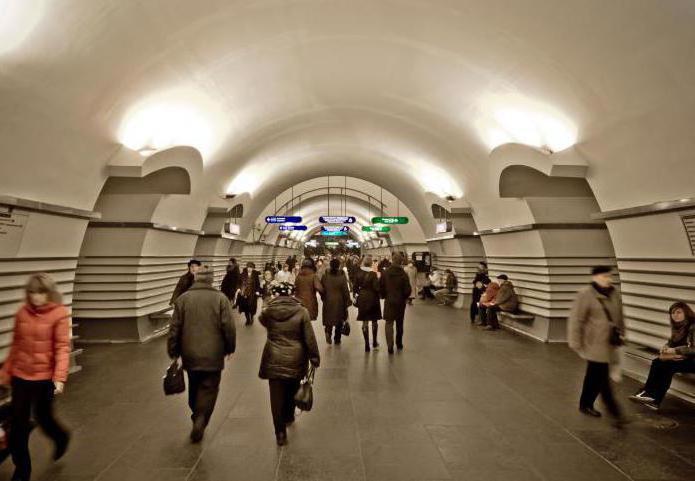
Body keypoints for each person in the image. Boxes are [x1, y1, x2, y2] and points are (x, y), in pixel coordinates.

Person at [1, 274, 71, 481]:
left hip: (44, 379)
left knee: (44, 418)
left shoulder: (59, 314)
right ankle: (22, 470)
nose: (36, 297)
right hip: (21, 377)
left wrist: (59, 377)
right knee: (18, 425)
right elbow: (16, 345)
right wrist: (5, 374)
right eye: (32, 292)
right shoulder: (22, 313)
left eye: (41, 292)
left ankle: (61, 437)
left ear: (49, 293)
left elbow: (62, 348)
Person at [167, 266, 235, 443]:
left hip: (189, 353)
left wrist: (173, 351)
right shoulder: (221, 299)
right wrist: (229, 348)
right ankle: (201, 418)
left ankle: (196, 412)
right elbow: (228, 327)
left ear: (196, 278)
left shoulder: (183, 299)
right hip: (214, 353)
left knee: (194, 385)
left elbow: (174, 329)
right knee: (209, 388)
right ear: (211, 280)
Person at [259, 282, 320, 446]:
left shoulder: (268, 312)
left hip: (274, 356)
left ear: (276, 294)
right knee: (292, 388)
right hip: (296, 357)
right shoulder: (302, 311)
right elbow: (309, 337)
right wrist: (314, 357)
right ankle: (288, 415)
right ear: (292, 294)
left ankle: (280, 432)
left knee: (276, 396)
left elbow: (262, 320)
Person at [568, 266, 628, 427]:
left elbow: (619, 316)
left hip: (609, 342)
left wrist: (622, 333)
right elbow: (576, 319)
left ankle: (585, 403)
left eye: (608, 276)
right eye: (603, 276)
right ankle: (615, 412)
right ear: (595, 278)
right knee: (602, 377)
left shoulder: (614, 293)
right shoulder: (585, 294)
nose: (607, 279)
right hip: (594, 343)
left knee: (593, 374)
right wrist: (575, 341)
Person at [629, 301, 695, 410]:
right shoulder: (677, 327)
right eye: (672, 313)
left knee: (668, 366)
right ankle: (648, 393)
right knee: (657, 362)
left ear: (686, 313)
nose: (675, 315)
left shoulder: (693, 326)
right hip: (684, 359)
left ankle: (653, 398)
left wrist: (674, 350)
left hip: (692, 361)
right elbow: (672, 342)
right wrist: (666, 346)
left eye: (678, 312)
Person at [380, 252, 412, 354]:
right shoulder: (403, 274)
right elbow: (408, 290)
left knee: (389, 323)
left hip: (389, 301)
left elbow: (380, 286)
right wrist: (404, 297)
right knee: (399, 323)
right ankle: (399, 343)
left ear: (392, 260)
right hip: (400, 302)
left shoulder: (385, 272)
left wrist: (384, 295)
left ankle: (390, 346)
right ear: (401, 261)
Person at [354, 256, 382, 352]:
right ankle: (374, 342)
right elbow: (376, 288)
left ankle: (366, 345)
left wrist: (360, 293)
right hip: (373, 299)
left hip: (362, 298)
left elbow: (355, 288)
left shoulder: (358, 273)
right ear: (371, 263)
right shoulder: (373, 274)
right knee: (374, 321)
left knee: (364, 321)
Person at [321, 258, 351, 345]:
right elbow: (346, 290)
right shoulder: (342, 277)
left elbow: (322, 289)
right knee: (339, 320)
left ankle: (328, 332)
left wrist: (324, 298)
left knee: (328, 319)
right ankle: (337, 339)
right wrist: (348, 301)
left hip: (328, 300)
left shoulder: (325, 277)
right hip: (339, 301)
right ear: (338, 266)